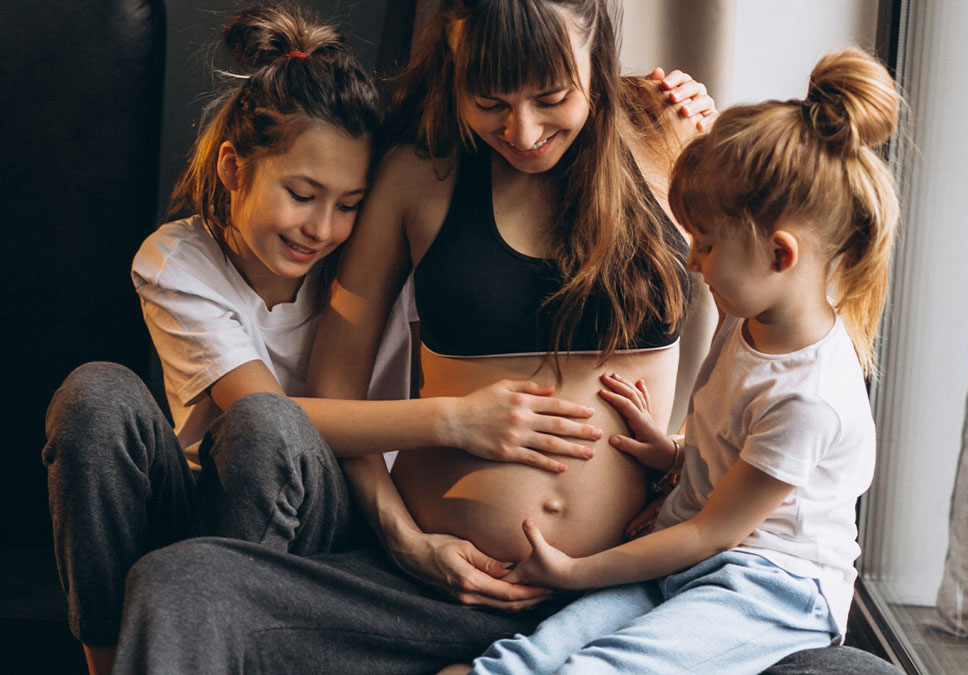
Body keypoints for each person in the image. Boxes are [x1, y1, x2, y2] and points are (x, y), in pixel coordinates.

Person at [111, 1, 749, 672]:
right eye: (490, 100)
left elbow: (773, 328)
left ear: (596, 52)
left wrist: (683, 452)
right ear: (454, 66)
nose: (524, 130)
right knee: (176, 585)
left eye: (551, 97)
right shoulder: (419, 175)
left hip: (623, 591)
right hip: (433, 589)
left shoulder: (675, 142)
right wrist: (408, 541)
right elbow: (335, 395)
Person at [467, 47, 901, 674]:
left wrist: (573, 572)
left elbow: (715, 531)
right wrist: (676, 454)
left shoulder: (812, 396)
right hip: (696, 556)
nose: (692, 261)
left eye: (705, 244)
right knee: (523, 659)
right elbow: (738, 468)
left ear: (780, 255)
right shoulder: (747, 318)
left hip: (768, 586)